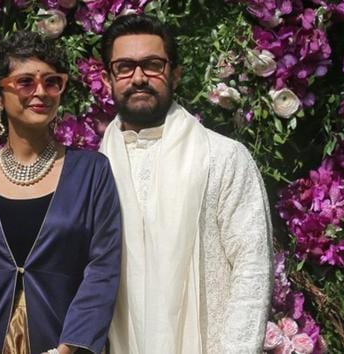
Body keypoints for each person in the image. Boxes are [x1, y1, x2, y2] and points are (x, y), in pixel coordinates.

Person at [0, 31, 122, 354]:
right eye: (25, 82)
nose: (41, 92)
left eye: (52, 82)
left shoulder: (92, 172)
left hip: (62, 344)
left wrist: (70, 348)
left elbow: (102, 269)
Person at [98, 15, 273, 353]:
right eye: (124, 67)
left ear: (174, 74)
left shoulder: (223, 157)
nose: (138, 77)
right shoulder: (93, 169)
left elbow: (252, 267)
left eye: (152, 65)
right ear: (109, 79)